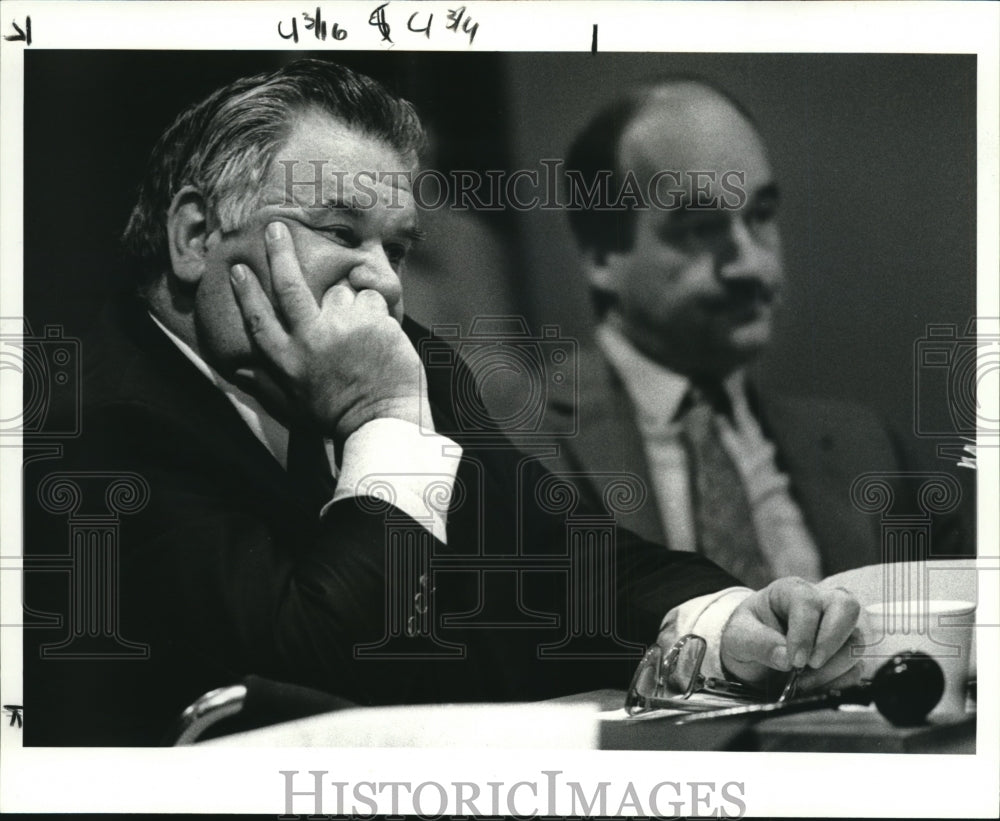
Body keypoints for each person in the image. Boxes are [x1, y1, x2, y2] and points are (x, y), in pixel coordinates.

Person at [23, 60, 864, 746]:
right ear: (196, 236)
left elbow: (565, 559)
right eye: (341, 233)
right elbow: (326, 683)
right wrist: (380, 419)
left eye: (397, 246)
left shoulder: (403, 359)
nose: (386, 283)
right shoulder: (89, 424)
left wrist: (725, 622)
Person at [544, 78, 968, 589]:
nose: (753, 265)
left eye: (761, 216)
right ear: (601, 255)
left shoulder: (869, 451)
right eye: (701, 227)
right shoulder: (510, 442)